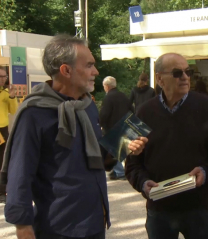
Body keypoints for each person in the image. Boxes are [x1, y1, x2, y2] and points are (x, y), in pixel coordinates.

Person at [1, 34, 146, 239]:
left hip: (95, 222)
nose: (95, 71)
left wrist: (126, 145)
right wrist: (23, 227)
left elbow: (97, 158)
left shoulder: (87, 107)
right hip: (58, 229)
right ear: (66, 70)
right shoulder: (34, 113)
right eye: (89, 65)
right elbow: (20, 174)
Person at [125, 53, 208, 239]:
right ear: (159, 79)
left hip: (198, 207)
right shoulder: (144, 112)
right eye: (177, 73)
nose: (185, 77)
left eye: (187, 72)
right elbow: (129, 159)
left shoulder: (205, 106)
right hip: (159, 210)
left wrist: (206, 171)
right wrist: (142, 183)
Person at [99, 76, 133, 180]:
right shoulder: (123, 96)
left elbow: (104, 114)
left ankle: (120, 171)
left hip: (112, 127)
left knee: (114, 150)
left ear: (107, 86)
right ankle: (120, 170)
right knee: (122, 149)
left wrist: (100, 124)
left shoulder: (108, 98)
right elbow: (132, 109)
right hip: (125, 125)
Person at [0, 66, 18, 203]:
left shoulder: (6, 93)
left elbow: (14, 111)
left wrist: (12, 96)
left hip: (2, 130)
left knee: (2, 161)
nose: (3, 79)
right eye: (1, 76)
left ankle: (2, 192)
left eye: (4, 76)